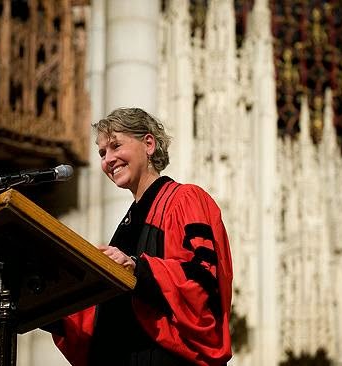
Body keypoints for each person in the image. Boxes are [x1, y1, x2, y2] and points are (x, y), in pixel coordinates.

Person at [51, 107, 233, 366]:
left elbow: (203, 279)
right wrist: (54, 309)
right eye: (102, 153)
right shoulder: (128, 222)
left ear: (148, 144)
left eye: (115, 146)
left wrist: (139, 268)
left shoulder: (184, 199)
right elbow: (110, 312)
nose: (108, 159)